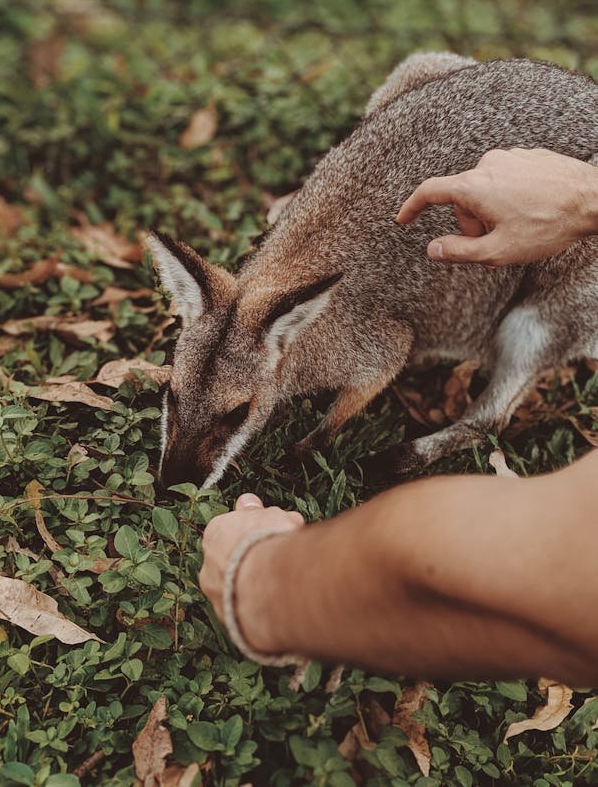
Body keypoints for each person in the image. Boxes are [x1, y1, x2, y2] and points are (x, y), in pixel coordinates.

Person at [199, 147, 598, 683]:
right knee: (419, 68)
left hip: (548, 276)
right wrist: (581, 194)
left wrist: (260, 585)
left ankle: (479, 422)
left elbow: (439, 553)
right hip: (548, 183)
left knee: (529, 329)